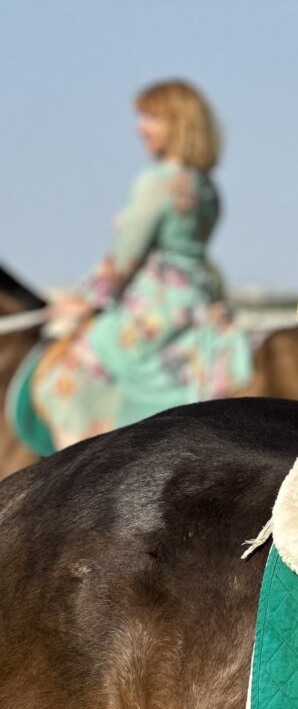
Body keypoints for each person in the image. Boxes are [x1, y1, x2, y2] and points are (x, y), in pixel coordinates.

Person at [38, 80, 252, 446]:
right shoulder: (206, 186)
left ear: (179, 123)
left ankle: (81, 469)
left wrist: (84, 302)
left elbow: (123, 257)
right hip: (197, 304)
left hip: (155, 308)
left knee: (62, 380)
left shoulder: (158, 181)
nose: (140, 128)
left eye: (152, 118)